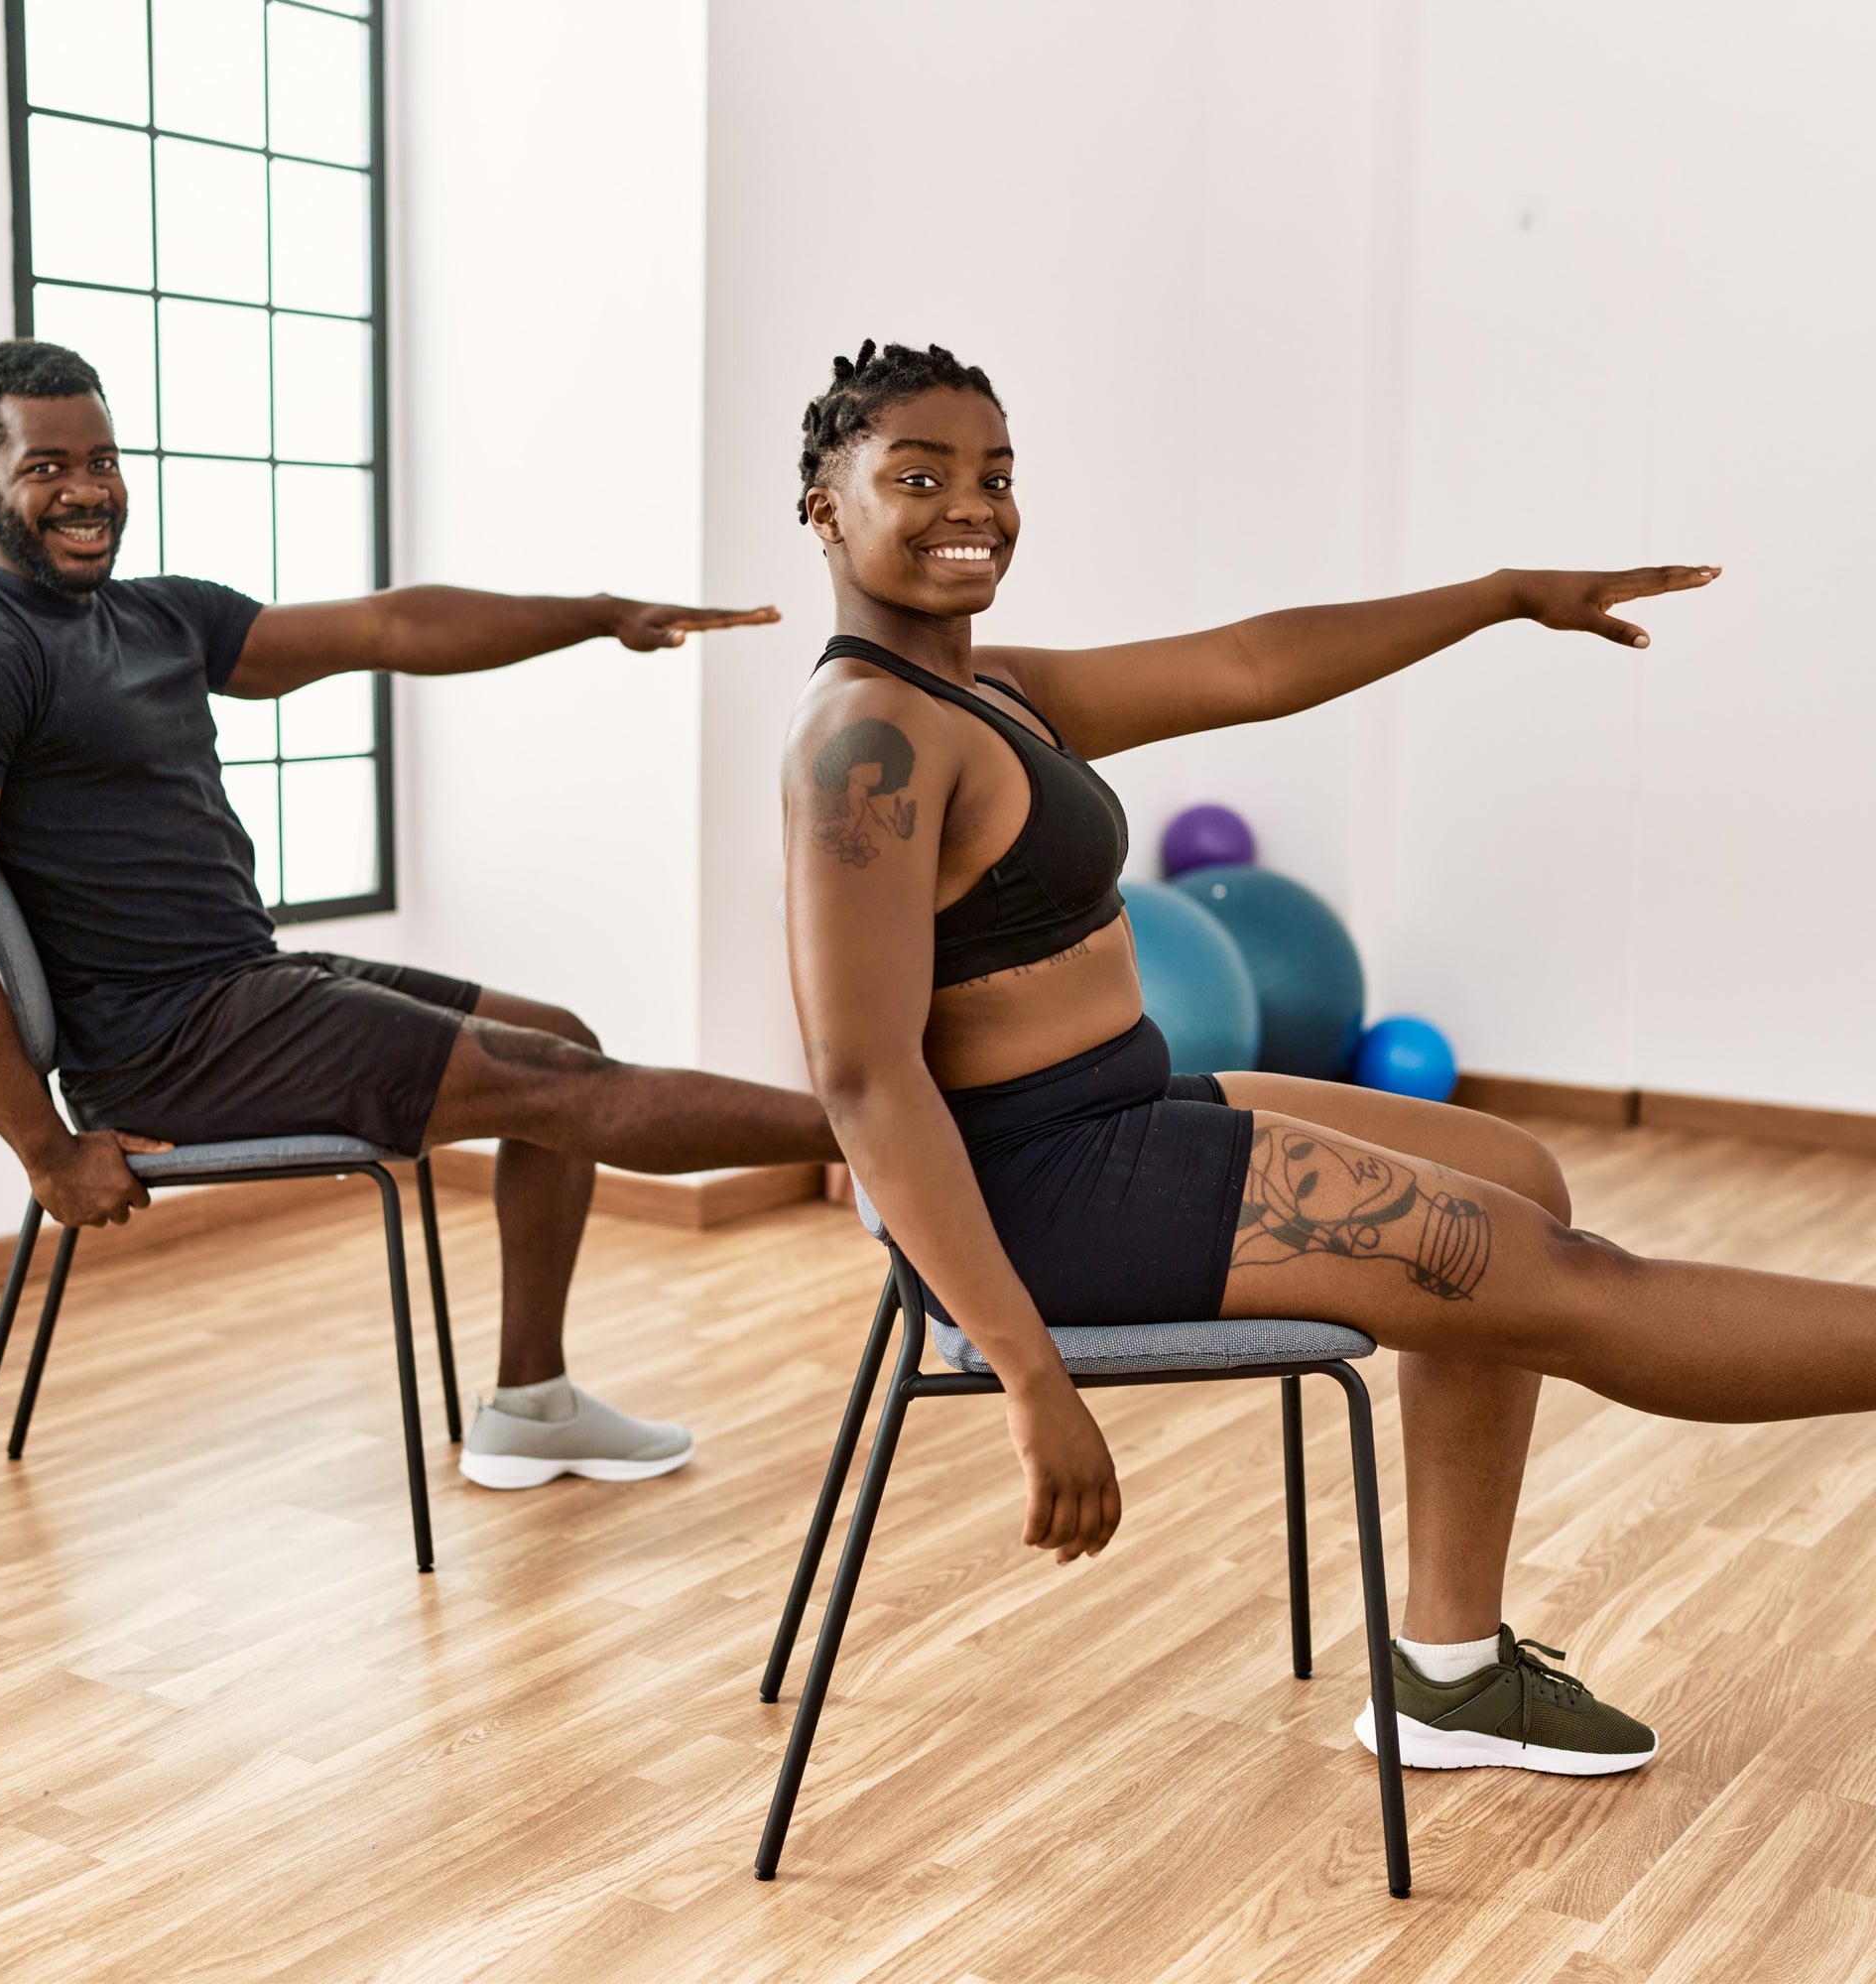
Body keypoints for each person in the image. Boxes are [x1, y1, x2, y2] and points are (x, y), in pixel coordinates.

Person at [778, 337, 1876, 1780]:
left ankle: (1448, 1669)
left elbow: (1247, 665)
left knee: (1514, 1171)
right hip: (1039, 1189)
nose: (968, 506)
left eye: (994, 473)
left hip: (1114, 1106)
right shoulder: (866, 744)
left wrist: (1494, 600)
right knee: (1574, 1283)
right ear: (826, 504)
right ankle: (1454, 1679)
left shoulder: (992, 691)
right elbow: (864, 1082)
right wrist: (1028, 1371)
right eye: (915, 475)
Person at [0, 338, 838, 1494]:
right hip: (164, 1048)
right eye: (48, 466)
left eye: (104, 458)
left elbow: (389, 626)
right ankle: (897, 1135)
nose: (89, 489)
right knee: (562, 1082)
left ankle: (533, 1404)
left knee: (566, 1039)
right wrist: (43, 1148)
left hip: (240, 986)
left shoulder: (154, 619)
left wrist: (597, 614)